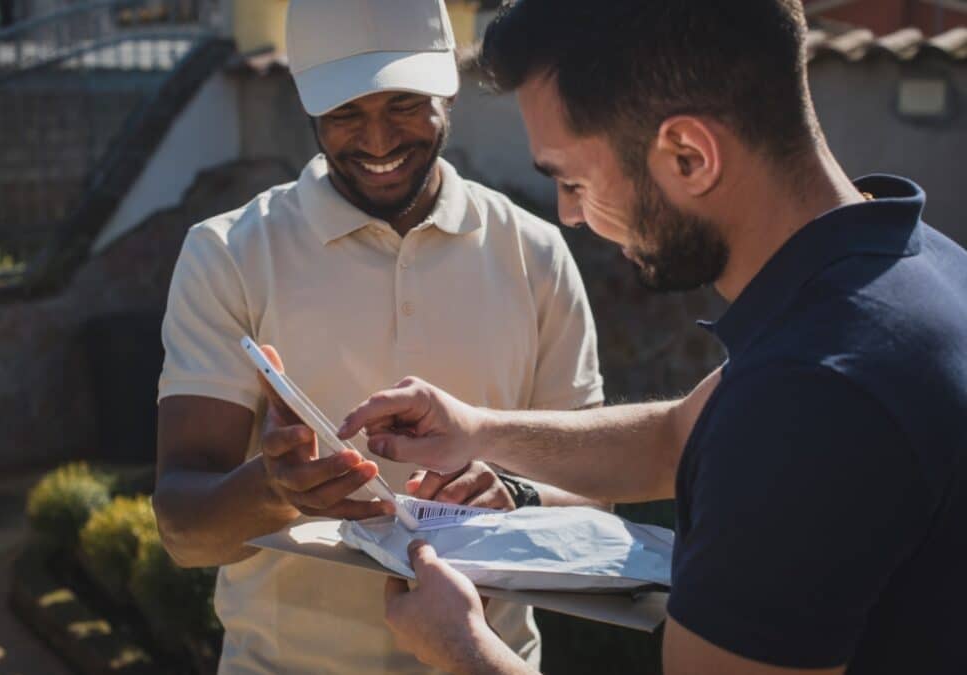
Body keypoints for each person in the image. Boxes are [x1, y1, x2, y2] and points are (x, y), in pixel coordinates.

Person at [336, 1, 967, 674]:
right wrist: (478, 429)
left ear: (688, 155)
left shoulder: (811, 396)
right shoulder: (907, 265)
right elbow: (675, 435)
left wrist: (462, 648)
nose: (569, 216)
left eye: (573, 181)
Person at [152, 0, 632, 672]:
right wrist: (273, 489)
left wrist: (518, 492)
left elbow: (594, 494)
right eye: (345, 112)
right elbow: (182, 528)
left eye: (404, 103)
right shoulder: (229, 254)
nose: (377, 141)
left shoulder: (536, 255)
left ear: (449, 88)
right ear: (308, 107)